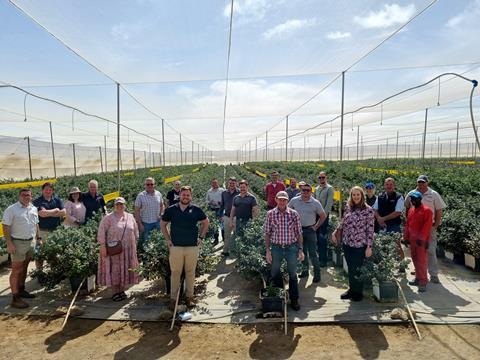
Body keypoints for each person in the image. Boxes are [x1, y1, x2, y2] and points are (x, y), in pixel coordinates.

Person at [161, 186, 209, 309]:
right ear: (179, 196)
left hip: (192, 247)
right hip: (176, 247)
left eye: (188, 195)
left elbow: (205, 222)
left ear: (190, 196)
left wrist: (201, 238)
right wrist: (168, 240)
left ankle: (189, 297)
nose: (185, 197)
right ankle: (173, 298)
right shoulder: (171, 209)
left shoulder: (196, 209)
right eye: (183, 195)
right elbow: (163, 224)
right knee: (175, 273)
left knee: (190, 273)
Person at [333, 186, 374, 302]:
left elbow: (370, 229)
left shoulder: (368, 210)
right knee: (350, 268)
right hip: (347, 243)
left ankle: (358, 292)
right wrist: (336, 231)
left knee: (357, 269)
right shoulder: (348, 207)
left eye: (358, 195)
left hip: (359, 245)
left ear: (362, 196)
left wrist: (369, 247)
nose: (356, 197)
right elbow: (343, 222)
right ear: (351, 196)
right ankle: (351, 290)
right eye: (354, 195)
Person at [264, 191, 304, 310]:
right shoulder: (270, 214)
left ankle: (294, 299)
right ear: (276, 200)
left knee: (292, 274)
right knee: (275, 273)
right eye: (280, 199)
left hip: (291, 247)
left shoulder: (294, 214)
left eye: (284, 199)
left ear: (287, 201)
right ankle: (280, 296)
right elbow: (267, 233)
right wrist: (267, 250)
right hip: (276, 248)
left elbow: (299, 233)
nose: (282, 201)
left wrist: (300, 249)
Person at [2, 188, 41, 308]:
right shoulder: (12, 209)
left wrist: (38, 238)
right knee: (16, 269)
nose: (26, 197)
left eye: (28, 195)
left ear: (31, 196)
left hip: (31, 242)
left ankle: (21, 289)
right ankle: (15, 298)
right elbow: (6, 226)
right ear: (19, 196)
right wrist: (9, 243)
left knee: (25, 266)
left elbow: (36, 224)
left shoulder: (33, 208)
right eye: (24, 195)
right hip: (17, 243)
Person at [405, 175, 446, 284]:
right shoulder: (411, 194)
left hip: (429, 227)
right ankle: (419, 273)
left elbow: (439, 211)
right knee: (416, 252)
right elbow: (408, 209)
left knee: (431, 250)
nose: (421, 184)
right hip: (415, 229)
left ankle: (433, 274)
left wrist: (435, 225)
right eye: (419, 182)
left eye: (423, 182)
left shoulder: (433, 194)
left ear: (427, 183)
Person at [97, 197, 140, 302]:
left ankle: (121, 290)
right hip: (114, 250)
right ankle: (115, 291)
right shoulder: (108, 218)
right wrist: (102, 245)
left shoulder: (130, 217)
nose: (120, 206)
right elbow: (101, 231)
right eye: (117, 204)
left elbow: (136, 231)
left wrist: (135, 244)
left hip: (128, 249)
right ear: (114, 206)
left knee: (125, 269)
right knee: (114, 269)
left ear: (125, 205)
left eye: (122, 204)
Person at [288, 182, 326, 283]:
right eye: (303, 190)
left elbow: (323, 216)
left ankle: (317, 274)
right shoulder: (294, 201)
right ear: (300, 191)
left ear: (311, 192)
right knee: (302, 252)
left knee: (313, 253)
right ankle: (305, 272)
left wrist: (316, 226)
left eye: (308, 190)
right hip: (298, 231)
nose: (305, 192)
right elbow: (287, 211)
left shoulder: (315, 202)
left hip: (310, 230)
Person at [404, 191, 433, 292]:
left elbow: (427, 226)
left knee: (422, 261)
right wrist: (406, 237)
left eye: (415, 199)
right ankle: (417, 278)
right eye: (412, 199)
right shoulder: (411, 210)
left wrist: (422, 238)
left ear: (420, 199)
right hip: (412, 240)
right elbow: (408, 224)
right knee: (415, 259)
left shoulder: (427, 211)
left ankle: (423, 282)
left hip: (421, 241)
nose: (413, 201)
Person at [33, 182, 66, 270]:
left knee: (54, 253)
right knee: (40, 254)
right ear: (42, 190)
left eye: (50, 189)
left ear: (53, 191)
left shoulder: (57, 200)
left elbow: (64, 212)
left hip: (55, 231)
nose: (48, 191)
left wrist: (48, 213)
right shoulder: (37, 201)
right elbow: (42, 214)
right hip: (42, 231)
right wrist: (55, 210)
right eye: (46, 189)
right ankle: (39, 273)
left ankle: (54, 272)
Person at [134, 177, 163, 252]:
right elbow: (136, 211)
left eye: (151, 184)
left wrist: (161, 215)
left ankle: (157, 254)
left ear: (154, 185)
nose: (150, 186)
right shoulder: (140, 196)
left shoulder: (158, 194)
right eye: (148, 184)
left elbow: (162, 205)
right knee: (147, 242)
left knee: (159, 240)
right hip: (146, 223)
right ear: (145, 185)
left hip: (157, 222)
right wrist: (140, 224)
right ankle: (148, 256)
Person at [314, 171, 334, 267]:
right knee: (317, 236)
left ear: (326, 178)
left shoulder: (329, 188)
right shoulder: (316, 188)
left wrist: (323, 216)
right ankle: (319, 257)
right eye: (320, 177)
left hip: (324, 216)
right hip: (316, 215)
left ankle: (323, 260)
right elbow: (313, 202)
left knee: (322, 237)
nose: (321, 179)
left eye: (323, 177)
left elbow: (329, 204)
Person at [219, 177, 240, 256]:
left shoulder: (239, 192)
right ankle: (225, 251)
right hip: (227, 216)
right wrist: (220, 214)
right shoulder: (224, 193)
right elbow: (222, 204)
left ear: (236, 184)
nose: (231, 185)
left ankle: (235, 251)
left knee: (236, 234)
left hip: (236, 217)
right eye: (230, 183)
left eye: (233, 183)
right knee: (226, 234)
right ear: (228, 183)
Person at [206, 178, 225, 246]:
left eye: (215, 183)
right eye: (213, 183)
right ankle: (216, 239)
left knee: (222, 224)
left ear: (218, 183)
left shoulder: (222, 190)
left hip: (220, 209)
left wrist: (220, 202)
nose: (214, 184)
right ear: (211, 184)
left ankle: (224, 239)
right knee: (215, 225)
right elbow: (206, 200)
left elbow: (225, 199)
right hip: (212, 209)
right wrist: (210, 202)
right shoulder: (209, 191)